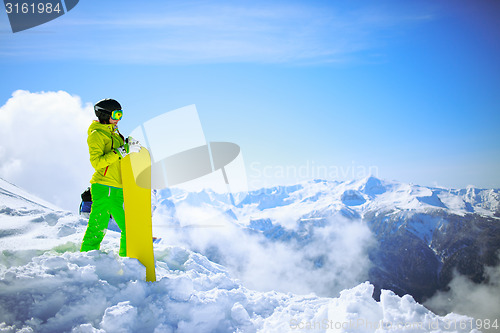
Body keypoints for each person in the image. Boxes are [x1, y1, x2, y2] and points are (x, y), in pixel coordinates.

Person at [81, 98, 141, 256]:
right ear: (104, 114)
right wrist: (121, 151)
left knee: (100, 226)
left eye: (121, 115)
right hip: (104, 186)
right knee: (104, 227)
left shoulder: (114, 134)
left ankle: (122, 258)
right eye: (116, 114)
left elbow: (119, 158)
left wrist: (127, 145)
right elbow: (97, 162)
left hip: (117, 188)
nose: (118, 119)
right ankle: (88, 259)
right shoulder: (97, 135)